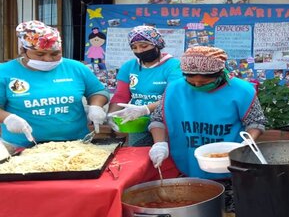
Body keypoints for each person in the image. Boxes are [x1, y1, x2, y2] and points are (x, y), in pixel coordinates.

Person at [147, 46, 267, 211]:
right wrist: (159, 144)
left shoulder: (241, 91)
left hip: (230, 167)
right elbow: (158, 119)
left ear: (220, 74)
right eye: (191, 81)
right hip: (188, 165)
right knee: (196, 212)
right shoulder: (175, 89)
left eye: (203, 82)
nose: (196, 85)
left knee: (232, 214)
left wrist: (244, 146)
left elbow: (256, 123)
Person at [0, 20, 109, 153]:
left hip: (76, 146)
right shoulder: (4, 72)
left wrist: (96, 106)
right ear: (23, 50)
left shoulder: (76, 68)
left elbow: (97, 91)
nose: (48, 59)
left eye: (55, 53)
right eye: (40, 54)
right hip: (21, 148)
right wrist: (7, 118)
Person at [107, 25, 182, 147]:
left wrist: (145, 109)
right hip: (137, 123)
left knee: (167, 157)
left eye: (144, 46)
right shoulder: (129, 67)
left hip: (167, 123)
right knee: (139, 158)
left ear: (157, 44)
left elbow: (173, 97)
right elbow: (121, 96)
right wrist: (111, 115)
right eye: (134, 47)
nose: (139, 51)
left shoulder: (174, 66)